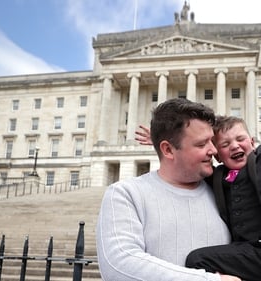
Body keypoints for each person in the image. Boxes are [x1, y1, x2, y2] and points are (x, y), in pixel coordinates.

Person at [136, 62, 261, 281]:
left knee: (196, 260)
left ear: (252, 142)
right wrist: (161, 140)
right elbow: (185, 161)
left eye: (240, 140)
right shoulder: (218, 177)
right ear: (218, 154)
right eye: (226, 144)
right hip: (240, 250)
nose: (235, 146)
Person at [96, 98, 241, 281]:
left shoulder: (226, 191)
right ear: (168, 150)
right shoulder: (125, 194)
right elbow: (119, 266)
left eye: (212, 141)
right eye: (201, 144)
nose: (213, 150)